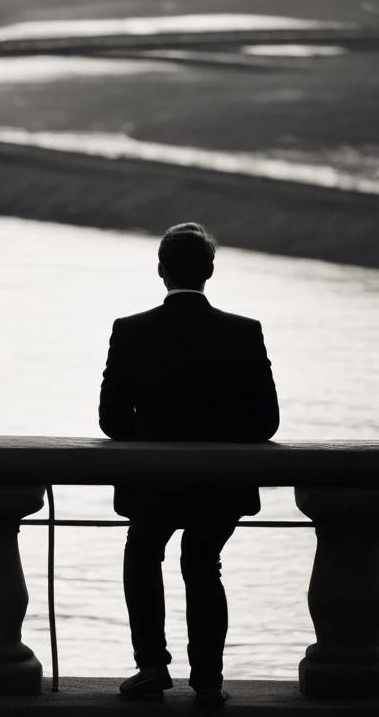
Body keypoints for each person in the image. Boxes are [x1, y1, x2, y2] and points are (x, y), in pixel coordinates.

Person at [98, 222, 279, 708]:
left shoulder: (130, 330)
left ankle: (152, 666)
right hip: (218, 483)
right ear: (210, 271)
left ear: (161, 271)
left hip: (153, 480)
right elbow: (266, 423)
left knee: (143, 552)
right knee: (203, 564)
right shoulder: (245, 332)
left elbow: (112, 422)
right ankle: (208, 680)